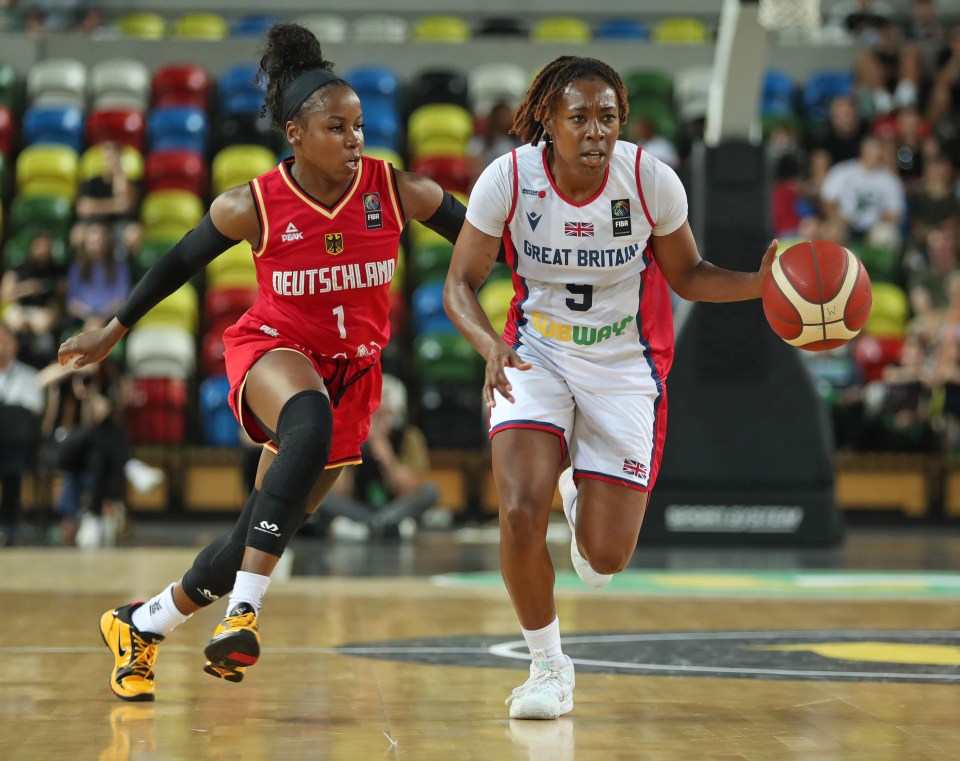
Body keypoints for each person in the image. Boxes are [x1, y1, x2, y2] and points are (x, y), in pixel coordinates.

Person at [58, 22, 471, 702]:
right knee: (305, 421)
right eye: (336, 128)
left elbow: (482, 235)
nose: (354, 139)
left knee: (253, 533)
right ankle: (244, 613)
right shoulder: (251, 204)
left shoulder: (394, 190)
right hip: (276, 352)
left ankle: (141, 622)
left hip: (355, 374)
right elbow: (177, 262)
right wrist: (115, 327)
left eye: (359, 126)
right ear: (295, 134)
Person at [442, 55, 777, 720]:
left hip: (626, 368)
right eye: (580, 117)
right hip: (533, 354)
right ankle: (548, 665)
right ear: (549, 120)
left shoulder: (650, 181)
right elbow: (459, 284)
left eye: (608, 117)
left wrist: (757, 286)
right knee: (517, 510)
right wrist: (489, 345)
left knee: (604, 556)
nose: (595, 131)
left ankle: (579, 488)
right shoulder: (507, 180)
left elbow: (689, 274)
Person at [311, 373, 438, 539]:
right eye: (373, 414)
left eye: (384, 415)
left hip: (393, 506)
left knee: (431, 491)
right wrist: (351, 450)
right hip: (357, 506)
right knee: (319, 495)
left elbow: (409, 489)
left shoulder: (408, 436)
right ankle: (384, 526)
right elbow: (341, 490)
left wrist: (388, 458)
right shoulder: (348, 435)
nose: (377, 421)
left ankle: (372, 525)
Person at [0, 323, 43, 546]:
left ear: (14, 345)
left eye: (4, 340)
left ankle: (9, 527)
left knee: (12, 467)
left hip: (16, 446)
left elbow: (33, 410)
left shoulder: (28, 376)